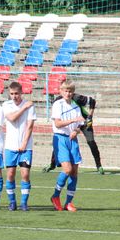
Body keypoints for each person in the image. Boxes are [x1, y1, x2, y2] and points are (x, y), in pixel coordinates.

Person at [42, 91, 104, 175]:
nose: (67, 94)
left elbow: (92, 101)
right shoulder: (58, 102)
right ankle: (53, 164)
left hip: (84, 122)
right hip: (72, 123)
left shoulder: (77, 98)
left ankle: (99, 165)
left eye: (68, 91)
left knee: (91, 142)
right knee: (61, 142)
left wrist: (89, 117)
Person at [49, 80, 85, 212]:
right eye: (65, 90)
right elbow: (58, 124)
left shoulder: (75, 106)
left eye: (70, 91)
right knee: (67, 169)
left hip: (72, 140)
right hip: (60, 138)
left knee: (74, 171)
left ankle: (69, 202)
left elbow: (80, 125)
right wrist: (73, 120)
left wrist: (76, 131)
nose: (68, 93)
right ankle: (55, 196)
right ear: (60, 91)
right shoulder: (58, 105)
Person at [2, 81, 36, 211]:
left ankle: (24, 203)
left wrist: (24, 143)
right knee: (10, 174)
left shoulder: (30, 106)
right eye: (11, 94)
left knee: (25, 174)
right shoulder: (6, 105)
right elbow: (12, 118)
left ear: (21, 92)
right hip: (10, 146)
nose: (14, 96)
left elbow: (30, 126)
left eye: (16, 93)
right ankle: (12, 202)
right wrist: (23, 108)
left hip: (26, 147)